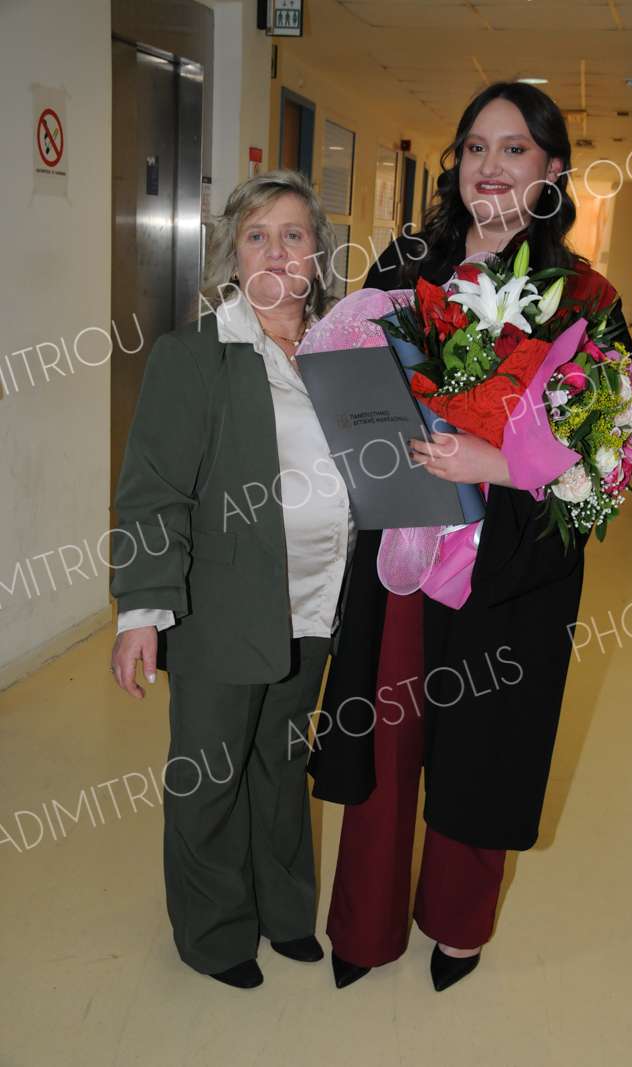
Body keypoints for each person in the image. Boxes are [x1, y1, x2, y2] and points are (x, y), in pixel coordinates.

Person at [308, 82, 632, 992]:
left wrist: (497, 463)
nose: (490, 166)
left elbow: (606, 455)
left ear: (552, 170)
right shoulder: (409, 262)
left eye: (514, 149)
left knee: (483, 743)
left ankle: (457, 924)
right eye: (475, 147)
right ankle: (364, 924)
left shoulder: (583, 296)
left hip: (512, 564)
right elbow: (350, 379)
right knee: (386, 737)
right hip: (403, 548)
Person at [109, 169, 356, 990]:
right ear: (231, 256)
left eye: (293, 235)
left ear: (317, 252)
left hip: (316, 603)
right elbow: (154, 489)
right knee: (211, 773)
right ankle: (214, 934)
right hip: (220, 609)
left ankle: (283, 912)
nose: (276, 251)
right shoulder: (195, 355)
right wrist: (141, 611)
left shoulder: (344, 353)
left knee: (280, 765)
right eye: (257, 236)